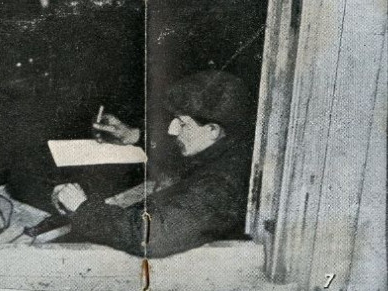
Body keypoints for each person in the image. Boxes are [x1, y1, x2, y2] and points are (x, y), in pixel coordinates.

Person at [51, 70, 254, 258]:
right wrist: (134, 135)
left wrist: (83, 208)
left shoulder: (220, 186)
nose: (172, 130)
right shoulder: (224, 150)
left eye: (182, 123)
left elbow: (150, 235)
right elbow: (176, 149)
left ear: (213, 130)